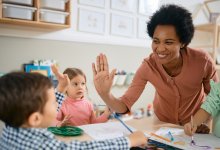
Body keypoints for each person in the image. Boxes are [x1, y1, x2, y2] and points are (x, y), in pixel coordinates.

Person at [92, 4, 219, 130]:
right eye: (156, 41)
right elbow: (125, 105)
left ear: (183, 43)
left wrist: (199, 122)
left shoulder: (202, 61)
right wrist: (105, 94)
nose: (160, 49)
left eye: (168, 42)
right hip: (162, 124)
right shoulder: (148, 66)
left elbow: (215, 97)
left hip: (197, 125)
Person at [0, 71, 147, 149]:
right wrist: (128, 141)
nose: (57, 104)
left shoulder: (12, 127)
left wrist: (60, 89)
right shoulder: (41, 146)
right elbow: (87, 148)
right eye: (53, 103)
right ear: (35, 119)